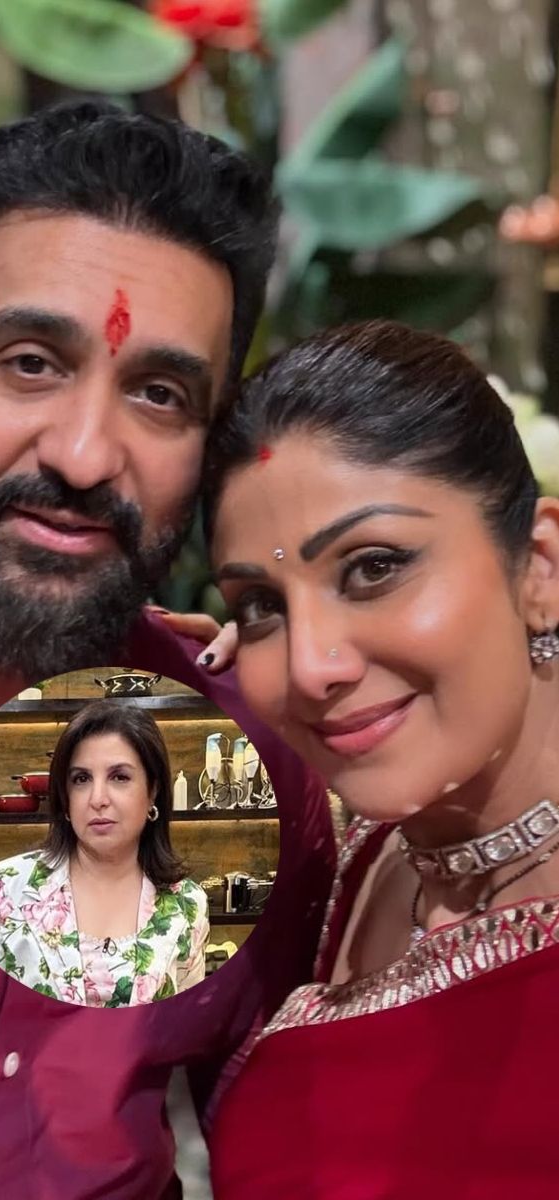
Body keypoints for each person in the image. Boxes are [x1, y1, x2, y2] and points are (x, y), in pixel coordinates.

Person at [0, 99, 334, 1198]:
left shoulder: (236, 763)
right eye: (32, 362)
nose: (85, 455)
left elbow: (296, 1148)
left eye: (159, 395)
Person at [204, 320, 559, 1199]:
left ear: (539, 570)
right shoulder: (362, 846)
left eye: (372, 568)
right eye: (260, 605)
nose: (309, 667)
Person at [0, 702, 209, 1004]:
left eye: (119, 777)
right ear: (65, 798)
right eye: (81, 779)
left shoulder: (188, 905)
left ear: (153, 791)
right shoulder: (6, 888)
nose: (98, 799)